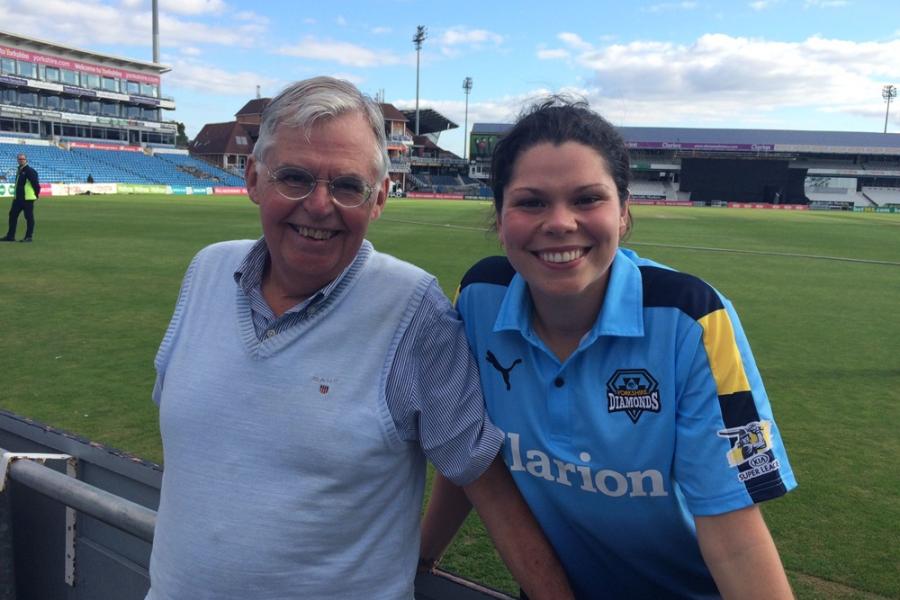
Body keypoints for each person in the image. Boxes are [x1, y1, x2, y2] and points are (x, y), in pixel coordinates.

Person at [147, 77, 572, 600]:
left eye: (347, 186)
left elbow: (484, 480)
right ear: (254, 178)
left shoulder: (414, 310)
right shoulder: (206, 272)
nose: (320, 205)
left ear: (379, 199)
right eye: (294, 178)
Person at [420, 98, 798, 599]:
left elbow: (734, 535)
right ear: (500, 214)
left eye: (586, 199)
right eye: (531, 201)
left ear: (623, 212)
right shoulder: (477, 300)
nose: (559, 222)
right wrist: (416, 564)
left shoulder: (693, 319)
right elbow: (471, 457)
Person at [1, 153, 40, 242]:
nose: (20, 160)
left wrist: (36, 194)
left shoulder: (30, 171)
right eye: (19, 159)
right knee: (12, 215)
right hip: (18, 199)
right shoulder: (19, 170)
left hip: (27, 199)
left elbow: (36, 184)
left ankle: (28, 237)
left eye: (22, 159)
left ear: (26, 160)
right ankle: (10, 236)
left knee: (28, 217)